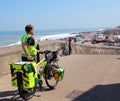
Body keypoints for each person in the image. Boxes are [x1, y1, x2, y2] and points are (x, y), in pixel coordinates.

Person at [21, 24, 44, 91]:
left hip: (23, 56)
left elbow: (30, 47)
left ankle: (26, 86)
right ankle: (32, 87)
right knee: (33, 72)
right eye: (33, 30)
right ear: (31, 30)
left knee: (26, 72)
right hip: (29, 57)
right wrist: (28, 55)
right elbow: (25, 46)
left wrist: (37, 51)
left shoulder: (24, 36)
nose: (33, 31)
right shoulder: (30, 37)